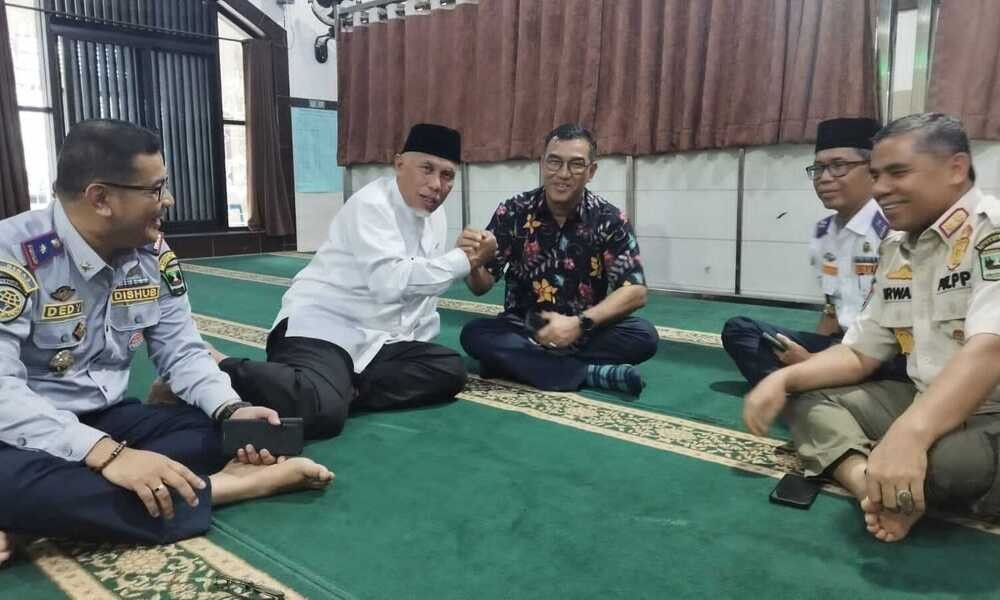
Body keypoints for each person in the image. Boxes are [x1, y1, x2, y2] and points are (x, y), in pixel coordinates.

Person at [0, 120, 333, 567]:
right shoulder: (12, 255)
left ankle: (48, 511)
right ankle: (227, 487)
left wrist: (230, 410)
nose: (168, 201)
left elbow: (182, 349)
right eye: (155, 190)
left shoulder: (151, 253)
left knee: (219, 434)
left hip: (105, 416)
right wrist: (108, 455)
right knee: (16, 482)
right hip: (19, 431)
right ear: (100, 198)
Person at [742, 113, 1000, 542]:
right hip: (922, 395)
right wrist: (783, 379)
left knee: (945, 463)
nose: (879, 189)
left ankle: (890, 478)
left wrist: (909, 433)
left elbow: (989, 350)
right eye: (877, 175)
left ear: (956, 168)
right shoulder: (897, 246)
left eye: (898, 173)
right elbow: (860, 352)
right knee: (805, 399)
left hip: (990, 412)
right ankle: (868, 484)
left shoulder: (991, 233)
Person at [218, 124, 495, 439]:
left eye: (447, 175)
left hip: (378, 341)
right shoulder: (372, 204)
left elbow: (420, 299)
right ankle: (220, 368)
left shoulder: (436, 217)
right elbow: (391, 283)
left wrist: (416, 346)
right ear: (399, 164)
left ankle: (336, 388)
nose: (436, 185)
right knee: (323, 416)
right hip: (322, 329)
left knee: (450, 370)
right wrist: (465, 259)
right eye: (427, 169)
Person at [459, 124, 657, 396]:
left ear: (591, 172)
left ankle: (517, 365)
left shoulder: (609, 219)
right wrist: (473, 262)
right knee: (474, 334)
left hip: (584, 329)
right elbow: (480, 286)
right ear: (542, 164)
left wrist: (578, 324)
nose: (563, 174)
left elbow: (635, 291)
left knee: (644, 336)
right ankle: (589, 373)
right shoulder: (513, 211)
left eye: (576, 165)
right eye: (554, 162)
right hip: (525, 329)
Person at [722, 117, 908, 386]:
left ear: (872, 170)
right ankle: (816, 386)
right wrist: (815, 354)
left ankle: (807, 385)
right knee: (742, 331)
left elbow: (900, 330)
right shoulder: (825, 233)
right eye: (818, 168)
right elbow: (831, 310)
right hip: (843, 344)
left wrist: (814, 362)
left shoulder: (895, 229)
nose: (825, 178)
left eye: (839, 166)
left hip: (886, 352)